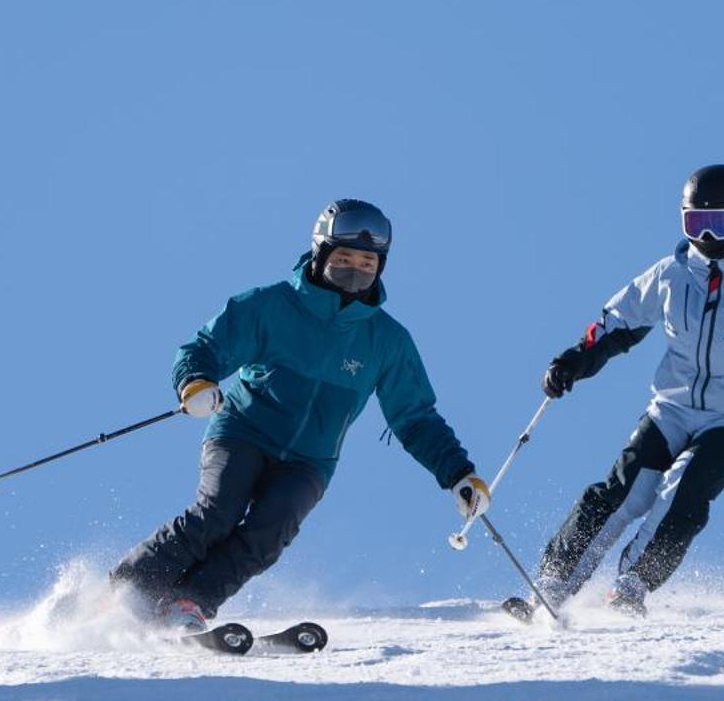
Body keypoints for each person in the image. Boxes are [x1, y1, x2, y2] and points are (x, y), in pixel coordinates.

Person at [508, 165, 724, 619]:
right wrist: (575, 360)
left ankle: (632, 584)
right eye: (696, 225)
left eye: (720, 224)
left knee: (684, 489)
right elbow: (617, 323)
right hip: (673, 407)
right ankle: (553, 585)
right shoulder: (673, 274)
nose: (708, 239)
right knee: (625, 491)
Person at [113, 199, 490, 630]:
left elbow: (415, 418)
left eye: (367, 262)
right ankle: (126, 591)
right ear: (320, 254)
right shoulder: (272, 306)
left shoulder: (387, 341)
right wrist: (196, 382)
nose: (355, 270)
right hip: (244, 430)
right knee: (218, 512)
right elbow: (204, 348)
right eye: (344, 258)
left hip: (310, 460)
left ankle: (190, 603)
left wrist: (458, 472)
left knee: (267, 534)